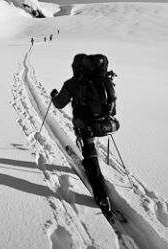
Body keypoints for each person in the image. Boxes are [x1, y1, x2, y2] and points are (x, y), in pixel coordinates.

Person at [50, 53, 119, 218]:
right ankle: (90, 162)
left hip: (85, 125)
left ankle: (101, 195)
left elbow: (60, 103)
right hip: (104, 123)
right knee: (89, 146)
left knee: (90, 153)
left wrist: (53, 96)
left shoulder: (74, 83)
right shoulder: (101, 80)